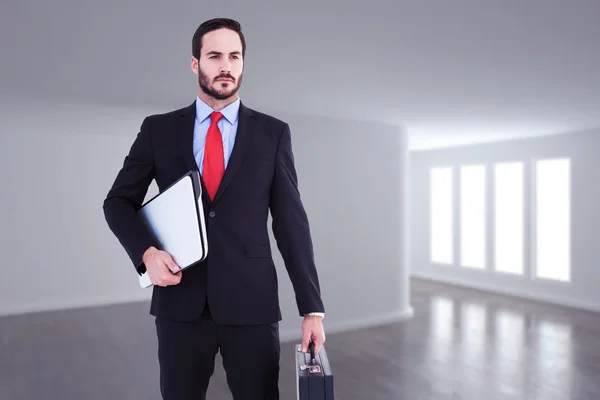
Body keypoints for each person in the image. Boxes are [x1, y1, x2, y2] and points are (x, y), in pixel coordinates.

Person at [102, 17, 326, 400]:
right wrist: (146, 255)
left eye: (235, 56)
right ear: (196, 63)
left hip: (251, 303)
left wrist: (312, 309)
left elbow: (291, 222)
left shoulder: (272, 133)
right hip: (180, 302)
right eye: (215, 55)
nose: (226, 65)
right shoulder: (159, 129)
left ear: (243, 64)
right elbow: (118, 201)